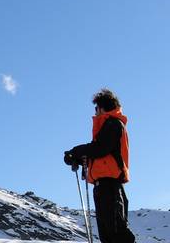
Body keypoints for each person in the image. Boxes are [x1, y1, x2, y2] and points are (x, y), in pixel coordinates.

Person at [64, 89, 136, 243]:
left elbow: (100, 148)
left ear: (102, 108)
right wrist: (79, 156)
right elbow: (98, 150)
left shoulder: (113, 124)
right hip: (103, 187)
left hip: (110, 186)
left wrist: (76, 152)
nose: (95, 112)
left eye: (96, 108)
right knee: (108, 235)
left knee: (117, 232)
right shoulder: (108, 126)